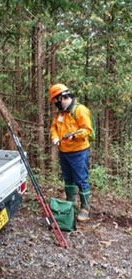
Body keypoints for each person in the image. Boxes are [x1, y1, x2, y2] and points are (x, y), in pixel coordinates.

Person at [49, 83, 93, 222]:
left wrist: (74, 135)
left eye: (56, 101)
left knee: (81, 179)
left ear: (62, 98)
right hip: (64, 152)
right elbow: (53, 128)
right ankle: (70, 204)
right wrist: (55, 138)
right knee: (68, 179)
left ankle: (85, 208)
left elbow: (87, 129)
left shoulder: (80, 110)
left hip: (78, 152)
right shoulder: (60, 114)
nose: (55, 104)